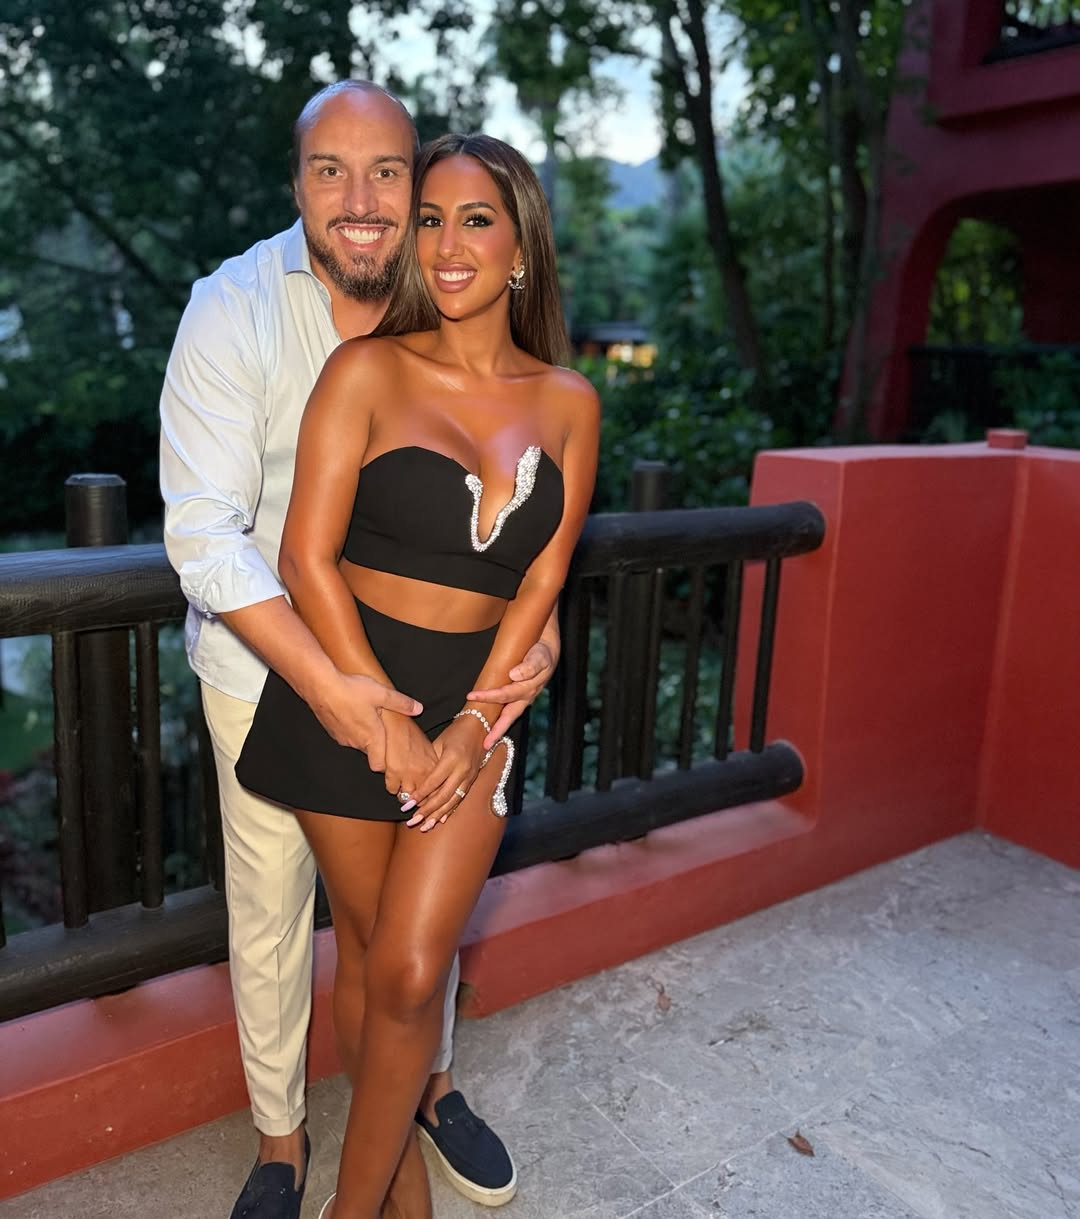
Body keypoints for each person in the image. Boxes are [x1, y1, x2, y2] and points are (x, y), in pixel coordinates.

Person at [160, 82, 558, 1219]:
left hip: (443, 677)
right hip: (266, 665)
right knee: (275, 913)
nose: (362, 199)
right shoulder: (234, 307)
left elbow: (514, 514)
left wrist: (535, 634)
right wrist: (334, 687)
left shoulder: (447, 299)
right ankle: (282, 1141)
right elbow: (205, 533)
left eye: (387, 170)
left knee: (412, 926)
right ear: (296, 185)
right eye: (329, 171)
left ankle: (424, 1089)